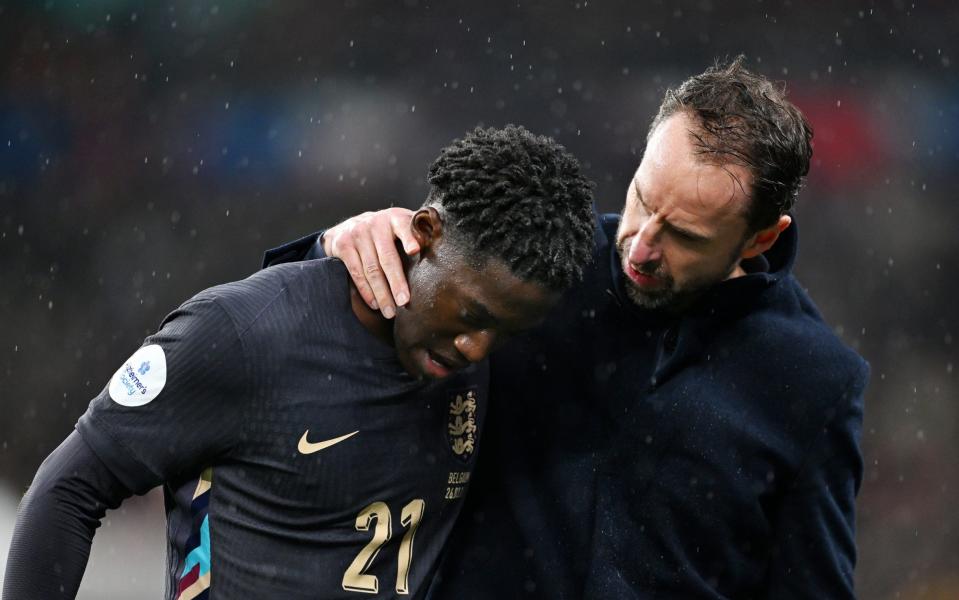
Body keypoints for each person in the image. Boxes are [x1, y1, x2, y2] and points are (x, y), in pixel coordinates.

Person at [266, 57, 869, 598]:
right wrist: (331, 248)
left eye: (685, 236)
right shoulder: (535, 271)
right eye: (641, 198)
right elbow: (290, 325)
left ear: (762, 238)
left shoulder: (813, 384)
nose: (641, 247)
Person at [2, 125, 596, 600]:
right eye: (471, 314)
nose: (477, 348)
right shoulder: (243, 333)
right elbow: (69, 490)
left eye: (505, 331)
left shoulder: (475, 359)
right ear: (425, 232)